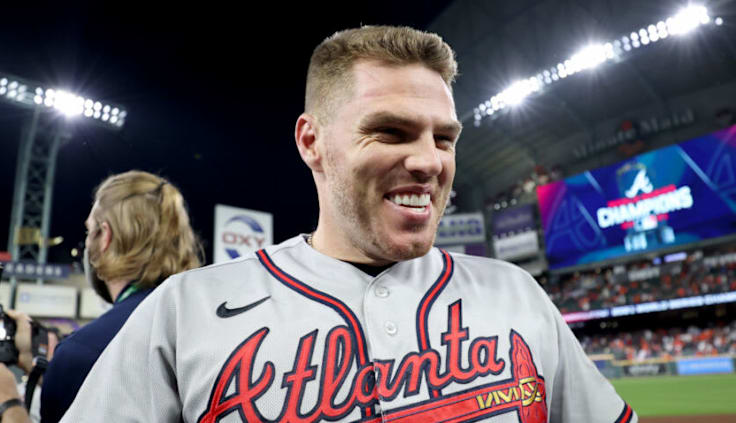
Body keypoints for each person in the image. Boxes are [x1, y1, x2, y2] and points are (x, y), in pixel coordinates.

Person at [61, 26, 636, 422]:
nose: (430, 161)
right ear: (311, 142)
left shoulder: (517, 294)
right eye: (391, 132)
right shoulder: (185, 310)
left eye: (445, 138)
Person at [0, 170, 203, 423]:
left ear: (105, 236)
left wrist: (7, 403)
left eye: (89, 231)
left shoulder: (82, 351)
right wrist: (45, 370)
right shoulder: (207, 322)